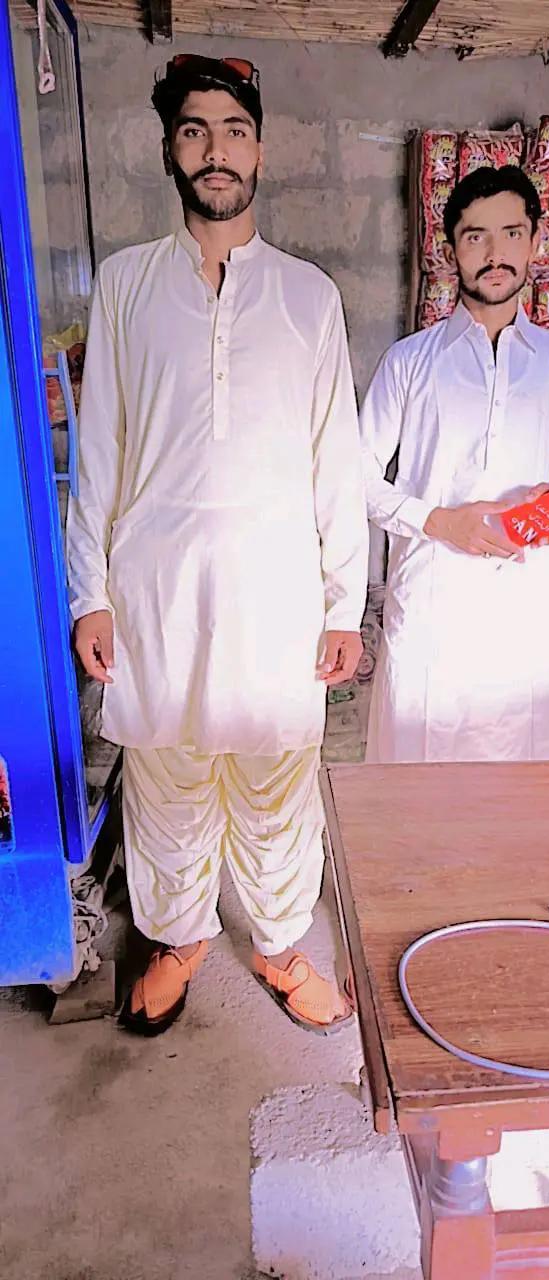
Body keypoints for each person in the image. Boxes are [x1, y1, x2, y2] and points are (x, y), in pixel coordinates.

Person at [67, 55, 368, 1036]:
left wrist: (344, 604)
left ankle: (278, 946)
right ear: (170, 150)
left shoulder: (308, 296)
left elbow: (335, 460)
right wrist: (89, 593)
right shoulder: (126, 284)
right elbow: (100, 445)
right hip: (156, 593)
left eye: (233, 130)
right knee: (168, 782)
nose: (215, 150)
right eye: (194, 130)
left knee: (279, 788)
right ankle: (180, 937)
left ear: (260, 150)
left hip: (277, 598)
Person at [360, 165, 549, 764]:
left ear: (535, 242)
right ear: (451, 251)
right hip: (432, 614)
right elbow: (354, 478)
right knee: (414, 789)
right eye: (476, 237)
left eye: (511, 234)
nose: (495, 254)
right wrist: (441, 521)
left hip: (523, 617)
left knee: (519, 796)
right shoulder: (409, 362)